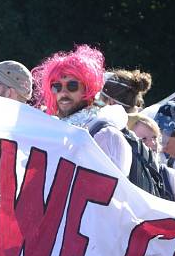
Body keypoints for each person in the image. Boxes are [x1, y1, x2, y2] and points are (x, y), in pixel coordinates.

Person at [31, 45, 132, 175]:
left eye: (72, 85)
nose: (63, 92)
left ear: (88, 88)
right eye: (56, 87)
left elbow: (116, 190)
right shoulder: (51, 131)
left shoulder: (106, 134)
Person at [127, 113, 175, 203]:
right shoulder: (124, 181)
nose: (153, 143)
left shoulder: (173, 178)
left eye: (154, 137)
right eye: (143, 139)